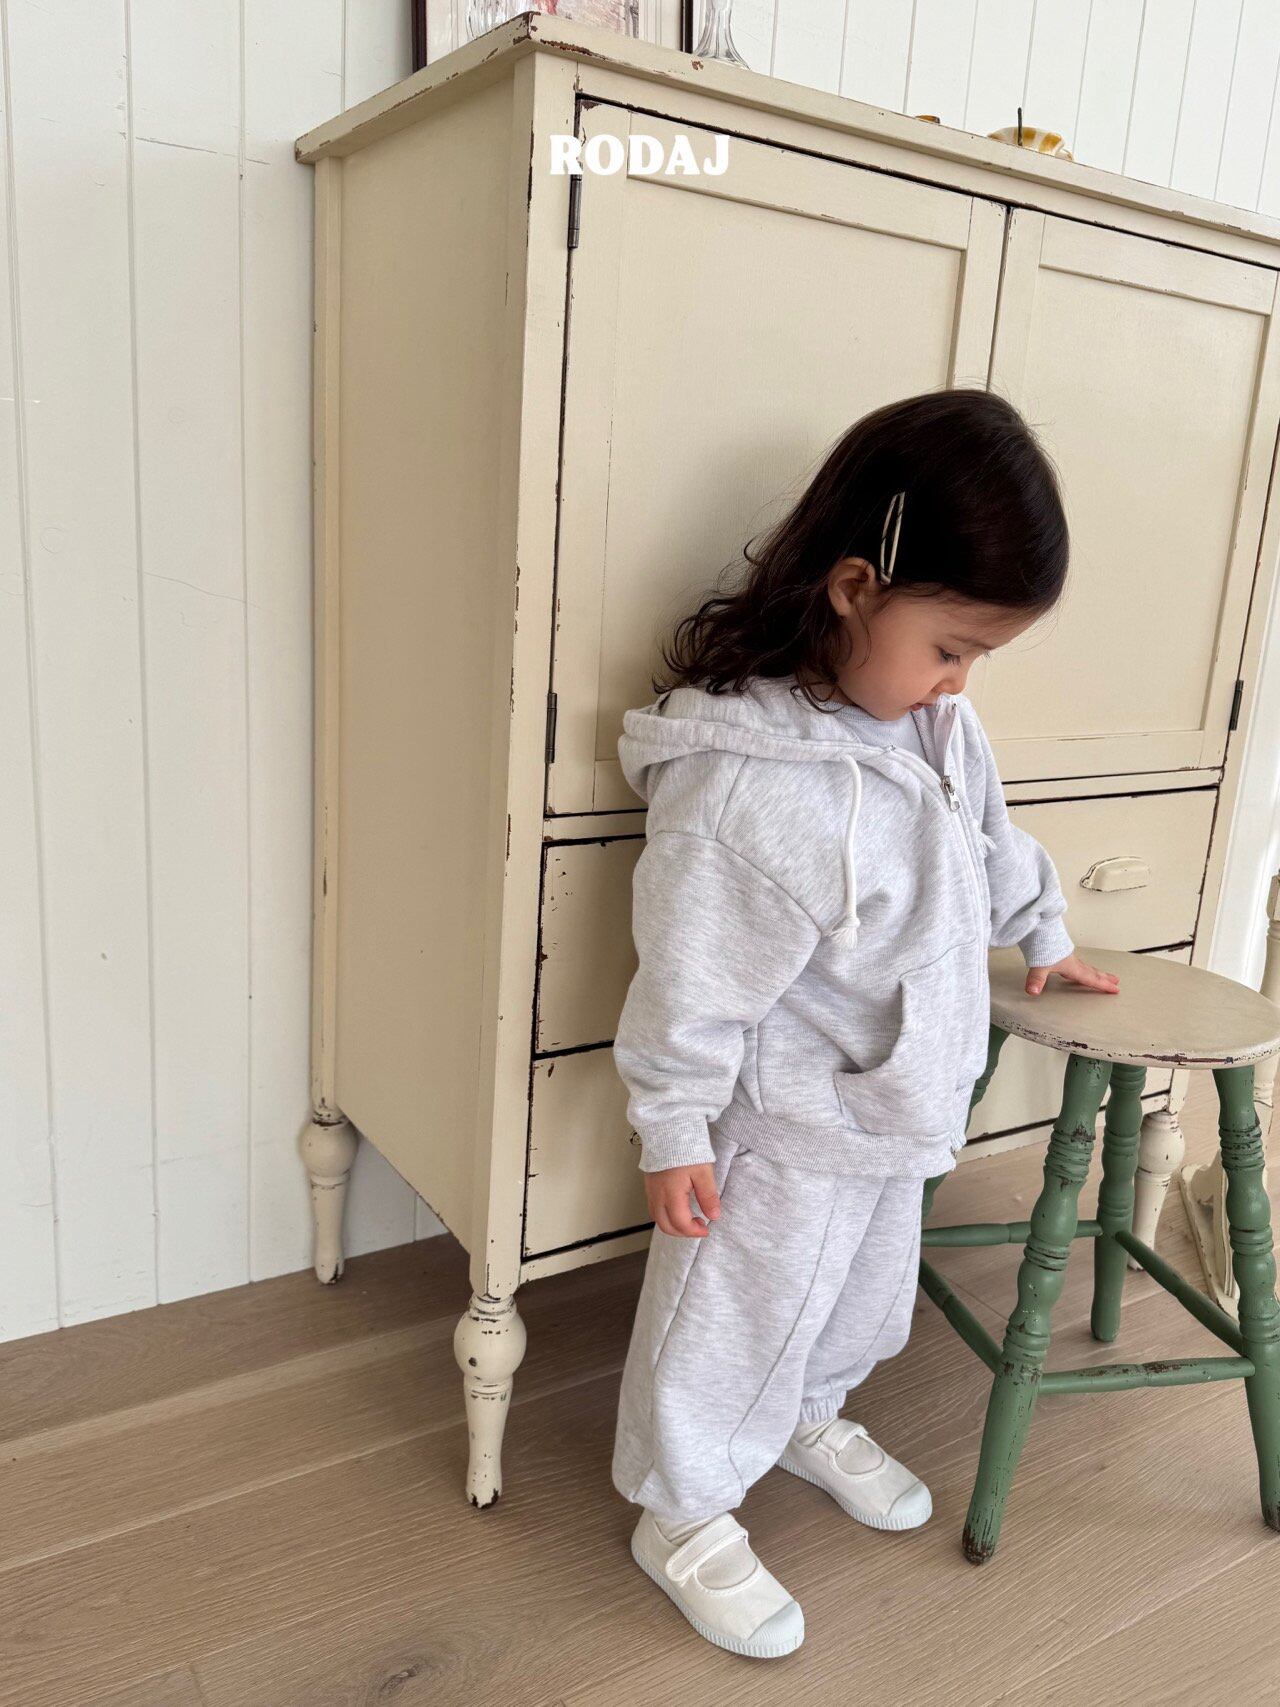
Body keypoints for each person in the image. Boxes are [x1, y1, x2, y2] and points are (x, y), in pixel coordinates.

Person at [608, 387, 1120, 1659]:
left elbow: (988, 844)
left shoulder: (937, 724)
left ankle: (804, 1414)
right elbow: (690, 975)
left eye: (977, 657)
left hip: (896, 1106)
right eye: (949, 645)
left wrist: (1044, 933)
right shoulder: (748, 786)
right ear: (852, 587)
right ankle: (680, 1509)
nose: (959, 679)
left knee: (856, 1304)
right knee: (729, 1317)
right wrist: (672, 1124)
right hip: (783, 1127)